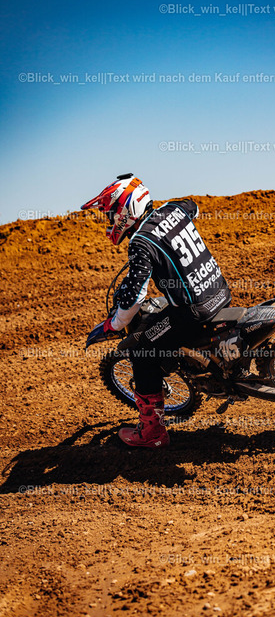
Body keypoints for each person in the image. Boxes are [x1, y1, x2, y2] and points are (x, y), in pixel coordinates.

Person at [81, 174, 231, 448]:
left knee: (142, 352)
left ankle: (153, 434)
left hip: (194, 311)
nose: (110, 221)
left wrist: (113, 325)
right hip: (220, 293)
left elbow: (135, 297)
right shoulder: (175, 209)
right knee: (166, 318)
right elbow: (193, 206)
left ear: (125, 209)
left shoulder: (140, 242)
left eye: (111, 214)